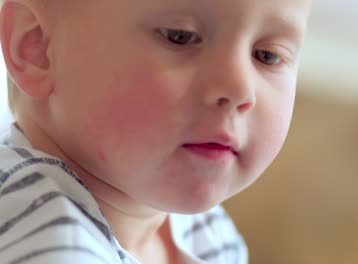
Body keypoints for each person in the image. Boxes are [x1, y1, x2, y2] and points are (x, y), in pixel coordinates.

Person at [0, 0, 312, 263]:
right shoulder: (45, 239)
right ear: (36, 46)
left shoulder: (208, 233)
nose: (240, 88)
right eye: (180, 36)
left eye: (267, 55)